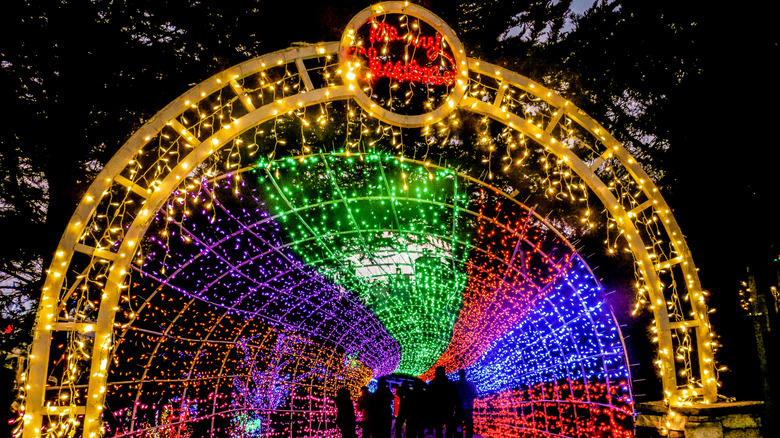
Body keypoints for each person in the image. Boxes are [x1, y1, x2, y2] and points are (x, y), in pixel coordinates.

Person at [427, 366, 460, 438]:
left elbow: (428, 398)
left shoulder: (432, 384)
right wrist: (456, 409)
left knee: (438, 429)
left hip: (437, 410)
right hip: (448, 409)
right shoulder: (450, 384)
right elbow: (456, 397)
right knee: (449, 429)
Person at [454, 370, 476, 438]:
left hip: (459, 407)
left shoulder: (456, 384)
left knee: (458, 425)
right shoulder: (471, 384)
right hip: (469, 407)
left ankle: (458, 436)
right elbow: (475, 395)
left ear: (459, 374)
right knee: (469, 425)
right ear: (465, 374)